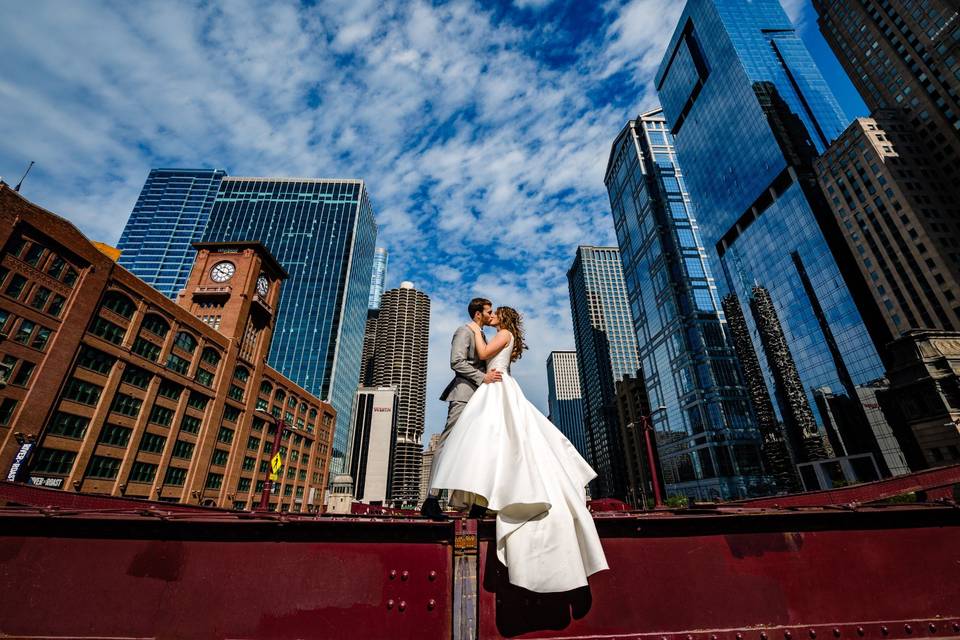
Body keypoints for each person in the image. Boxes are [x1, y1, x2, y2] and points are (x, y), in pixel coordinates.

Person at [429, 305, 609, 594]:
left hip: (496, 386)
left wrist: (476, 331)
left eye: (495, 313)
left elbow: (485, 355)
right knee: (493, 442)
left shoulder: (502, 334)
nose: (492, 316)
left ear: (502, 318)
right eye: (489, 312)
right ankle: (482, 498)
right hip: (495, 385)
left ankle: (484, 499)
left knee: (496, 439)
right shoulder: (504, 334)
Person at [420, 297, 502, 521]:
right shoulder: (464, 331)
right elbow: (456, 361)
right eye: (488, 311)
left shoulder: (481, 334)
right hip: (463, 396)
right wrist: (483, 377)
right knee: (446, 444)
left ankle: (476, 502)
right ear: (478, 313)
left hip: (478, 397)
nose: (490, 314)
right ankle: (431, 500)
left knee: (477, 447)